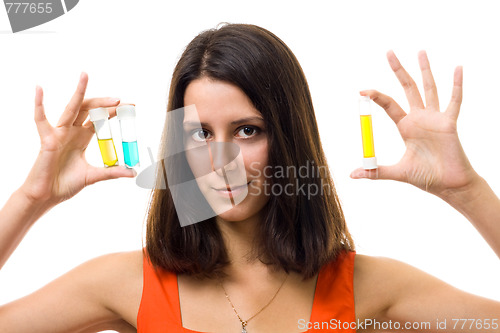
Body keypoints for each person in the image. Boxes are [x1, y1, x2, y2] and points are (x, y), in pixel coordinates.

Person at [0, 23, 499, 333]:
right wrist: (32, 197)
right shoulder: (126, 282)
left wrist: (467, 191)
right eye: (199, 133)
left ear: (288, 136)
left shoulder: (366, 285)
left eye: (246, 130)